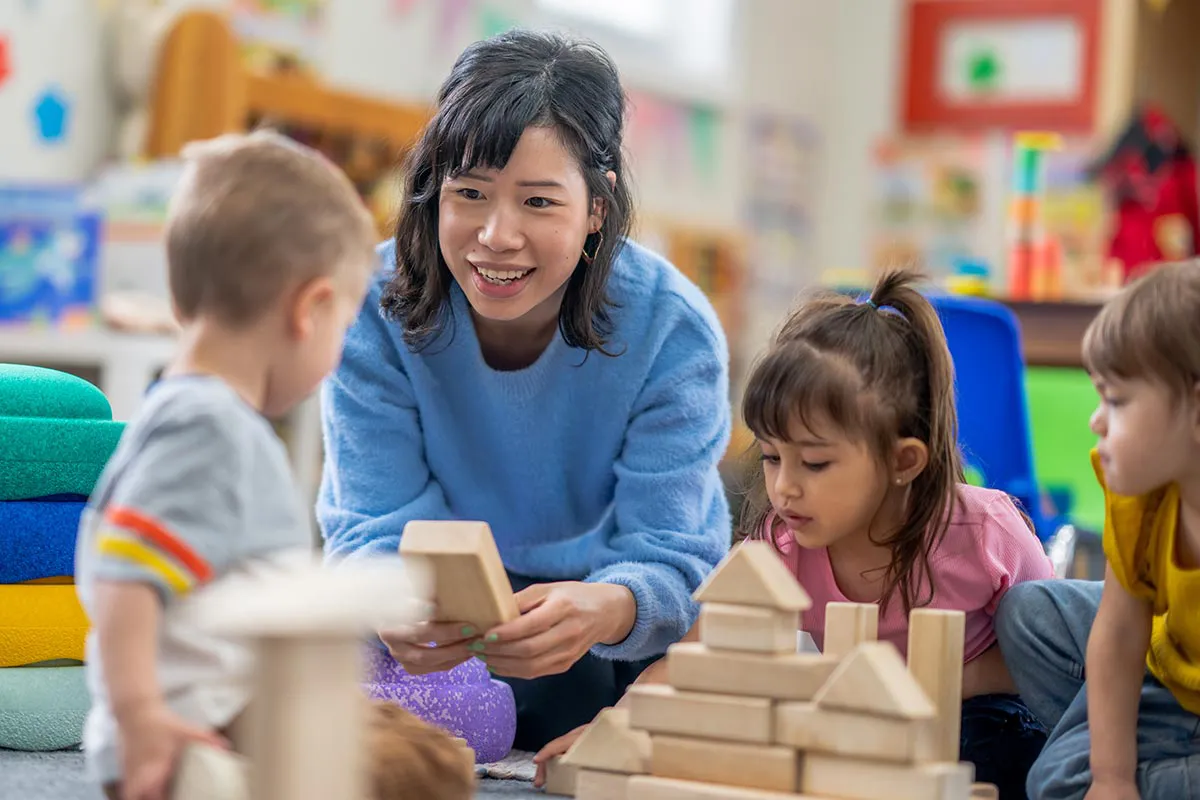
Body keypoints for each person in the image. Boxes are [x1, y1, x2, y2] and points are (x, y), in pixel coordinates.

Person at [316, 28, 732, 753]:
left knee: (689, 680)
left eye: (538, 203)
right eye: (469, 194)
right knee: (324, 682)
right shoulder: (370, 305)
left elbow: (672, 554)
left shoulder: (673, 329)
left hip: (594, 617)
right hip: (434, 618)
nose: (495, 236)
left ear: (598, 206)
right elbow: (371, 521)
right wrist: (390, 598)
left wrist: (611, 606)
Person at [533, 270, 1054, 799]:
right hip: (853, 721)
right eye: (771, 458)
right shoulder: (779, 549)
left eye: (815, 463)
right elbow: (690, 662)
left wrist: (932, 682)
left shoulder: (986, 533)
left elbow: (1056, 653)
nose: (785, 488)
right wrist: (617, 728)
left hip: (977, 714)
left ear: (903, 460)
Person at [74, 131, 474, 800]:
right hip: (205, 736)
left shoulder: (198, 417)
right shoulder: (206, 429)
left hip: (236, 708)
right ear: (309, 310)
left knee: (422, 746)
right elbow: (125, 576)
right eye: (343, 325)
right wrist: (142, 719)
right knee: (430, 772)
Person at [995, 260, 1200, 800]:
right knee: (1026, 613)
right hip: (1170, 666)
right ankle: (1138, 748)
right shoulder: (1138, 489)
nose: (1096, 419)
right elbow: (1118, 631)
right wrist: (1112, 777)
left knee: (1057, 779)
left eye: (1117, 400)